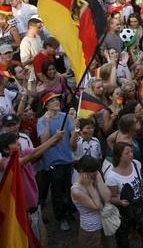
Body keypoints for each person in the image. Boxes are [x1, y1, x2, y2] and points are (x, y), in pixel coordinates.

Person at [37, 92, 75, 232]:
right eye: (52, 101)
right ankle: (61, 217)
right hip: (54, 162)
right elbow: (44, 142)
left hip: (68, 159)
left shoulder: (66, 117)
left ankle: (69, 211)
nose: (56, 102)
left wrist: (75, 132)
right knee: (57, 191)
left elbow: (72, 138)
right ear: (46, 105)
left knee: (68, 188)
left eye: (57, 99)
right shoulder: (41, 121)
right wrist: (47, 123)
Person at [105, 142, 143, 248]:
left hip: (138, 206)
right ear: (119, 156)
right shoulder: (112, 176)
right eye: (127, 153)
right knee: (123, 241)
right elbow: (110, 198)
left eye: (131, 151)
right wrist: (120, 202)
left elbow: (141, 183)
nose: (131, 154)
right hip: (124, 210)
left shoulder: (136, 164)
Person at [70, 156, 112, 247]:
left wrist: (99, 180)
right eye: (93, 171)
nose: (96, 173)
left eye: (97, 171)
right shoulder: (76, 190)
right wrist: (89, 186)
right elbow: (98, 206)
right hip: (91, 229)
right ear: (82, 171)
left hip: (103, 224)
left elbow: (108, 197)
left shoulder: (95, 177)